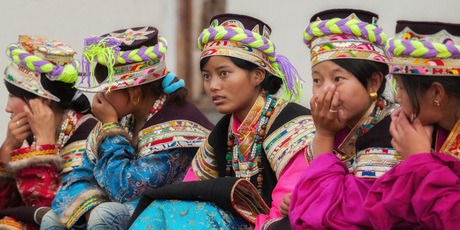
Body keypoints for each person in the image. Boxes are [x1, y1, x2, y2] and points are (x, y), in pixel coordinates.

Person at [128, 13, 314, 230]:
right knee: (163, 208)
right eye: (207, 76)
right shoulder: (223, 132)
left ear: (257, 75)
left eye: (223, 73)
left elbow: (287, 210)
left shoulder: (294, 126)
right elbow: (190, 188)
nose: (213, 86)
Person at [40, 26, 214, 230]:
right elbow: (78, 177)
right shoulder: (123, 118)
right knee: (52, 218)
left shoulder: (180, 128)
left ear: (135, 92)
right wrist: (89, 205)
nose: (99, 98)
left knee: (105, 215)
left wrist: (111, 129)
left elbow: (126, 189)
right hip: (125, 209)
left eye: (106, 89)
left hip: (168, 216)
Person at [288, 9, 401, 229]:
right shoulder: (335, 124)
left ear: (374, 83)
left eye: (338, 78)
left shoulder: (391, 131)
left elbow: (339, 215)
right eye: (317, 80)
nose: (324, 92)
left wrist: (324, 135)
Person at [364, 20, 460, 229]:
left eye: (402, 88)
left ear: (436, 93)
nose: (397, 98)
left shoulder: (420, 144)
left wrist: (419, 161)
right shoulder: (428, 132)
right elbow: (383, 213)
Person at [0, 36, 96, 230]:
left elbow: (55, 214)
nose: (8, 108)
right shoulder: (26, 135)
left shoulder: (87, 135)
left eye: (12, 96)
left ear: (44, 101)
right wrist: (7, 149)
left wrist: (44, 145)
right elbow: (5, 205)